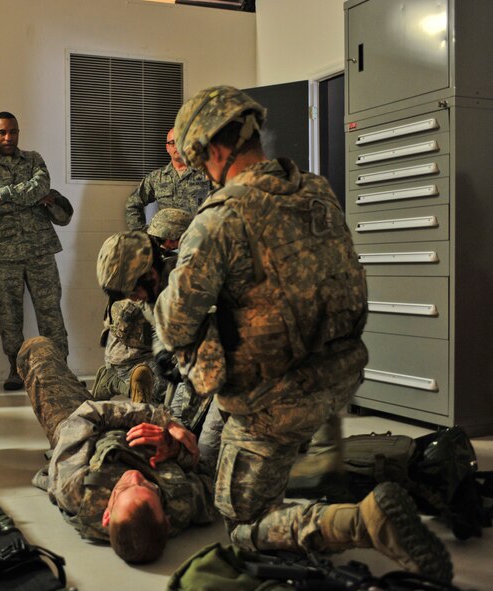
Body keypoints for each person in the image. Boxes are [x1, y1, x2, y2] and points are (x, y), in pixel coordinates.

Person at [154, 85, 452, 581]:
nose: (204, 170)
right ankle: (326, 470)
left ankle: (364, 523)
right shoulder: (316, 190)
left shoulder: (220, 219)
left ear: (218, 150)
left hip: (275, 399)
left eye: (201, 159)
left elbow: (174, 322)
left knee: (243, 528)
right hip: (341, 375)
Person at [17, 335, 215, 564]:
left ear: (106, 515)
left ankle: (125, 395)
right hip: (142, 431)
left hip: (86, 429)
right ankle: (133, 398)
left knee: (37, 348)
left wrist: (158, 417)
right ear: (167, 520)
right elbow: (205, 468)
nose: (134, 476)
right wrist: (174, 447)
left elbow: (85, 416)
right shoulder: (184, 503)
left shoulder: (75, 489)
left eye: (123, 490)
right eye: (148, 486)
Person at [0, 112, 68, 390]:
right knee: (9, 314)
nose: (8, 137)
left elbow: (40, 187)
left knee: (50, 311)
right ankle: (16, 370)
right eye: (2, 132)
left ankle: (59, 367)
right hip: (5, 254)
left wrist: (3, 195)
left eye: (13, 132)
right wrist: (30, 196)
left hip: (40, 249)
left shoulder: (34, 159)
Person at [93, 210, 192, 406]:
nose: (174, 245)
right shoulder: (149, 270)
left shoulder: (146, 258)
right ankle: (113, 381)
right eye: (170, 239)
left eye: (178, 240)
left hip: (149, 350)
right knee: (174, 392)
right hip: (129, 359)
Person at [124, 129, 211, 231]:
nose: (176, 146)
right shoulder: (156, 178)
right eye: (172, 143)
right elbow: (133, 204)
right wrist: (142, 234)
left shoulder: (205, 174)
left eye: (179, 141)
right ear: (167, 148)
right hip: (167, 242)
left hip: (196, 239)